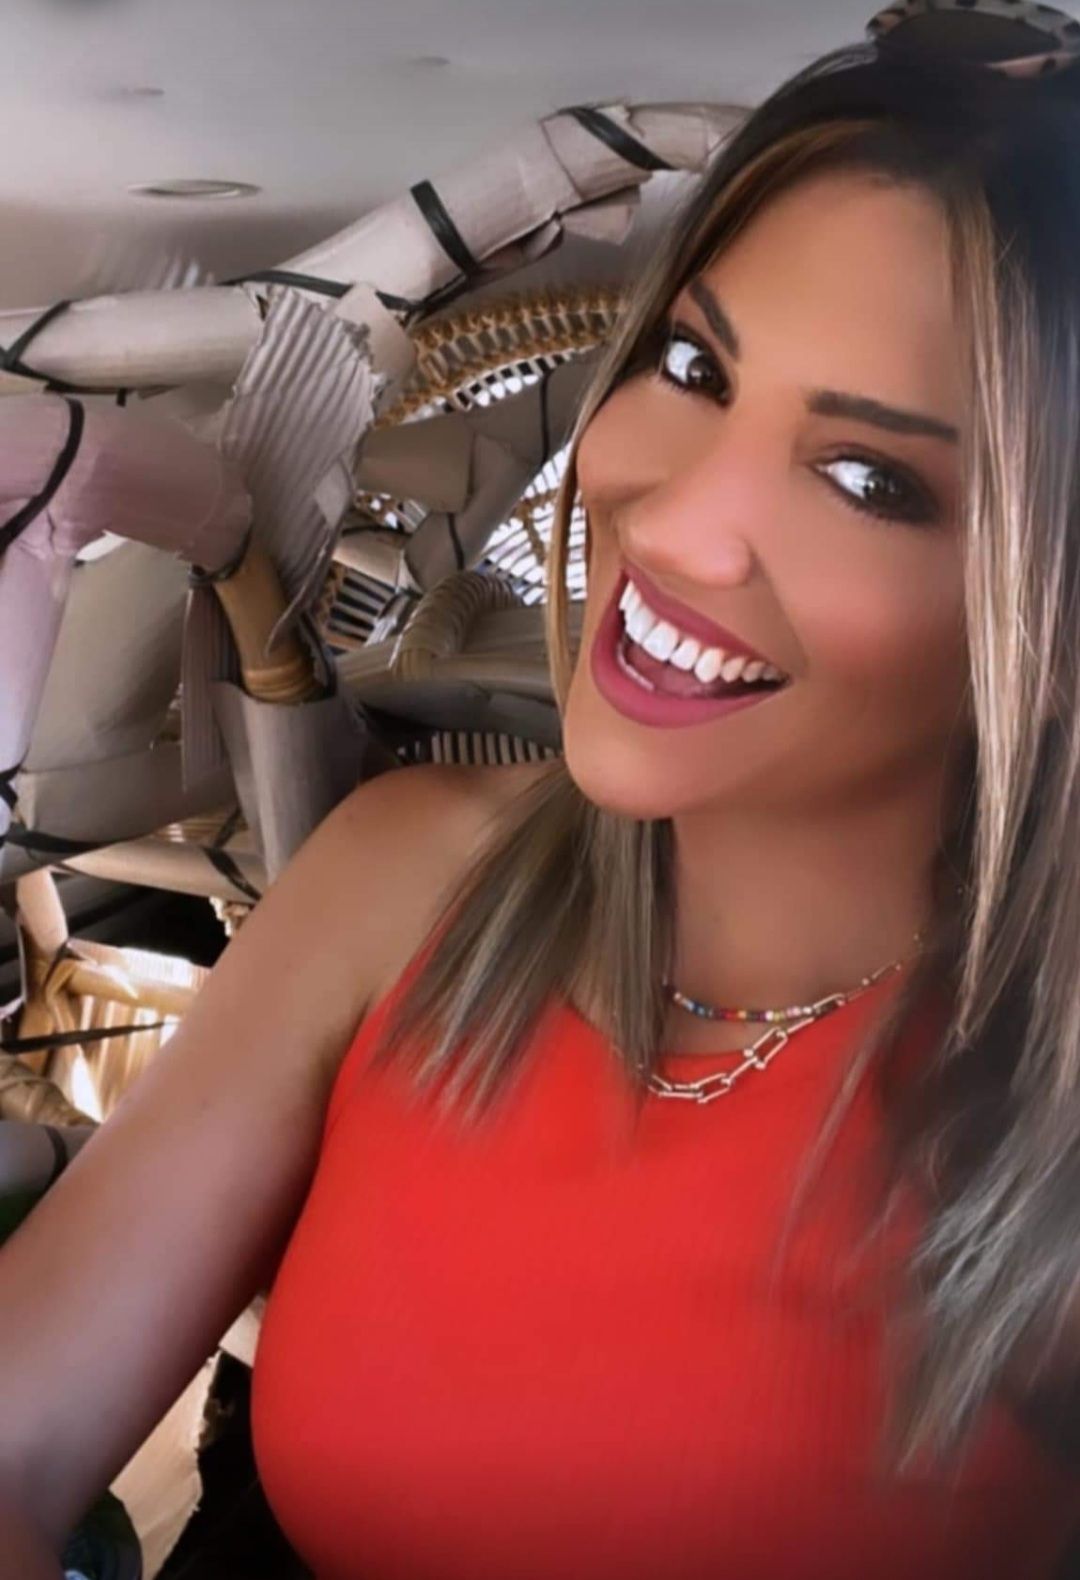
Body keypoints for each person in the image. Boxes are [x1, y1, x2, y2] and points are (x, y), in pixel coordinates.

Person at [6, 2, 1080, 1575]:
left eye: (872, 480)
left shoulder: (1046, 1119)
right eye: (695, 365)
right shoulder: (410, 872)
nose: (673, 518)